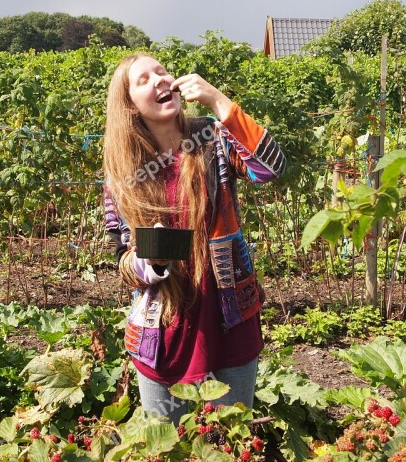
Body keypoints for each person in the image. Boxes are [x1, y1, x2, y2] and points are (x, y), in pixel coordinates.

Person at [102, 54, 286, 424]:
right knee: (165, 445)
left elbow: (270, 168)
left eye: (161, 72)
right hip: (163, 331)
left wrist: (219, 102)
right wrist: (152, 264)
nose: (159, 80)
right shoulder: (122, 174)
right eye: (143, 80)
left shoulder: (212, 139)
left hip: (229, 318)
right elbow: (122, 260)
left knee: (232, 441)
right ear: (131, 108)